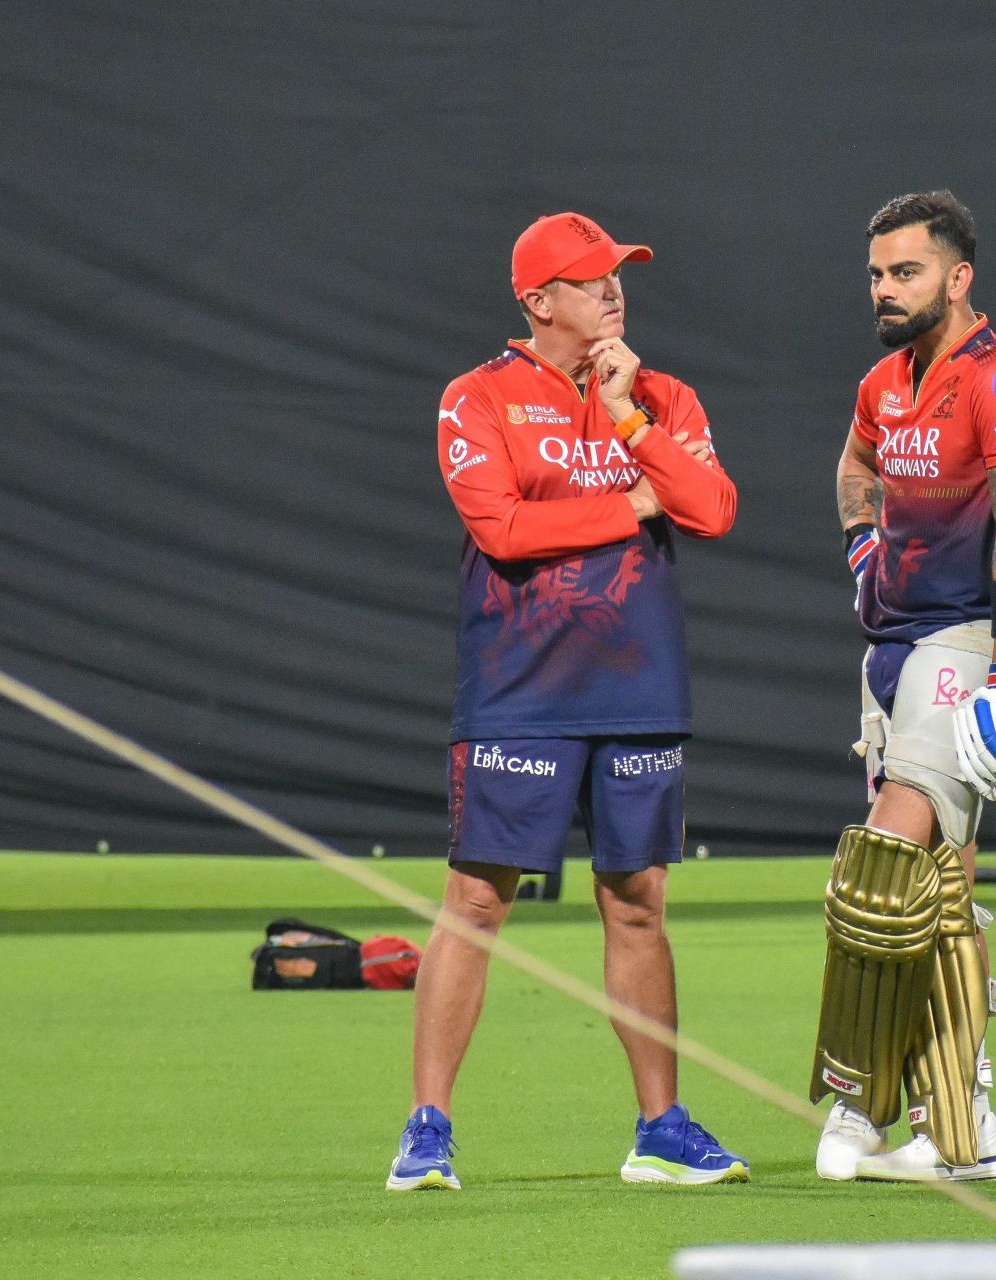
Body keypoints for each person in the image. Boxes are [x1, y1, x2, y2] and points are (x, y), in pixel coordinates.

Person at [388, 212, 748, 1191]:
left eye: (618, 277)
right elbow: (502, 529)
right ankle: (428, 1130)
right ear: (538, 300)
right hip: (520, 691)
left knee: (637, 902)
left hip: (641, 687)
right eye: (591, 280)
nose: (613, 293)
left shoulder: (661, 394)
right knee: (476, 899)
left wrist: (633, 423)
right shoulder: (478, 397)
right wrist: (631, 503)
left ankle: (661, 1128)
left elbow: (712, 507)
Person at [811, 190, 996, 1183]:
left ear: (957, 277)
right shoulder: (884, 383)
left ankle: (861, 1099)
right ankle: (962, 1126)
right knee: (932, 888)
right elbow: (854, 462)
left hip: (966, 641)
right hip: (889, 649)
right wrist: (863, 544)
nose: (883, 287)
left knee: (879, 866)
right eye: (875, 272)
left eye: (903, 271)